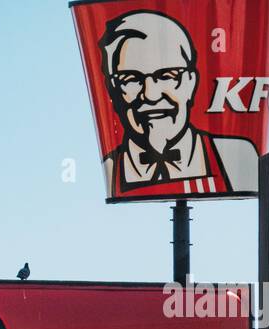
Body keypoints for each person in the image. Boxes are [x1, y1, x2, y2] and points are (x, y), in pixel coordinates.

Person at [98, 10, 258, 198]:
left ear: (191, 82)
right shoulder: (111, 168)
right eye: (131, 79)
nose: (151, 94)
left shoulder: (234, 156)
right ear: (114, 90)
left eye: (167, 76)